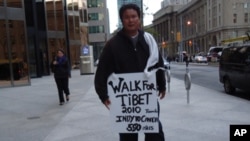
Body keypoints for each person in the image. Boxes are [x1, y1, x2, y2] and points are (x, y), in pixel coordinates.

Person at [94, 3, 166, 141]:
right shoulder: (112, 44)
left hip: (147, 98)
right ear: (122, 20)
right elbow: (101, 72)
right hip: (124, 102)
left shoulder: (148, 40)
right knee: (128, 137)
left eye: (133, 16)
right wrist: (103, 96)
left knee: (155, 134)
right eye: (127, 17)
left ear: (139, 18)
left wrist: (162, 85)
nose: (130, 20)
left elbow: (158, 63)